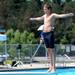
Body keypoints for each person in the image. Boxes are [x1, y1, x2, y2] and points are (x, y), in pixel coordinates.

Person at [30, 3, 74, 72]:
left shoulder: (53, 15)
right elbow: (39, 18)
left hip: (50, 34)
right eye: (44, 9)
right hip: (44, 34)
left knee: (52, 51)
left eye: (45, 9)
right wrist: (33, 19)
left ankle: (54, 67)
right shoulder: (44, 16)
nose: (44, 10)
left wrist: (69, 15)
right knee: (48, 51)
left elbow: (60, 16)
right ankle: (50, 66)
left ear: (49, 9)